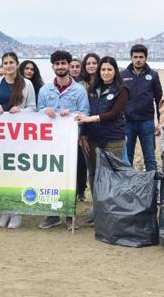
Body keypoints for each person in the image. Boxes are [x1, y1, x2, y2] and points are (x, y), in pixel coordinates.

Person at [37, 50, 89, 230]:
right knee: (51, 177)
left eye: (63, 63)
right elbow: (38, 112)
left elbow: (85, 114)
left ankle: (69, 214)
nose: (60, 67)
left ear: (69, 65)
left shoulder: (79, 90)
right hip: (50, 143)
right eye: (57, 64)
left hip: (70, 143)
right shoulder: (45, 90)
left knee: (70, 178)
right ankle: (52, 215)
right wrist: (45, 112)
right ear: (53, 67)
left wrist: (72, 116)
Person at [75, 56, 130, 224]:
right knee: (93, 173)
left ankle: (112, 207)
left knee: (112, 173)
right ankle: (98, 205)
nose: (106, 73)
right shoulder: (92, 89)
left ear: (115, 71)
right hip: (93, 138)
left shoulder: (122, 90)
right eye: (103, 70)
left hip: (113, 138)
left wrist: (92, 119)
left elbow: (114, 113)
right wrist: (83, 134)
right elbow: (84, 111)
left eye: (109, 69)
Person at [0, 51, 37, 229]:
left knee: (17, 172)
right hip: (0, 135)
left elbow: (32, 108)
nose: (8, 66)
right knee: (3, 173)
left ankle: (17, 212)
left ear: (17, 64)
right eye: (5, 63)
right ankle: (5, 210)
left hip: (19, 135)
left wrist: (20, 111)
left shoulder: (27, 84)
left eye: (11, 63)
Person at [120, 44, 162, 172]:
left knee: (150, 158)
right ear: (131, 58)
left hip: (147, 122)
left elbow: (159, 100)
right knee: (127, 158)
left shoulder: (153, 75)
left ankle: (153, 190)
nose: (138, 60)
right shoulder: (122, 75)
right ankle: (127, 188)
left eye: (141, 57)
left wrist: (160, 122)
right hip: (127, 123)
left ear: (146, 58)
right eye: (135, 57)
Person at [74, 52, 101, 200]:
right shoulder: (79, 85)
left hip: (104, 129)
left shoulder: (105, 81)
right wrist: (82, 134)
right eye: (88, 63)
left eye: (94, 63)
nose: (91, 66)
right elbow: (80, 110)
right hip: (86, 131)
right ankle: (95, 201)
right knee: (91, 167)